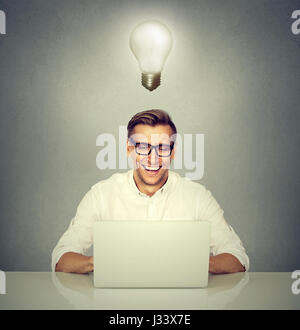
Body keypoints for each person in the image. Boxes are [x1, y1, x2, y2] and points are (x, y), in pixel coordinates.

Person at [52, 109, 249, 274]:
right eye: (143, 147)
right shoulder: (101, 195)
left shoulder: (197, 197)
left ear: (173, 152)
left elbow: (238, 259)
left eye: (162, 148)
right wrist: (101, 262)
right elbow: (61, 259)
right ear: (129, 150)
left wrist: (196, 264)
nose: (153, 158)